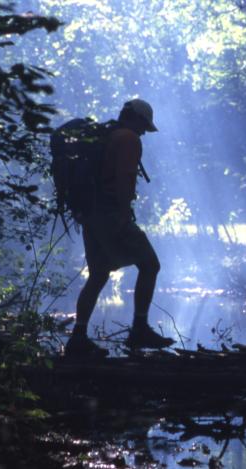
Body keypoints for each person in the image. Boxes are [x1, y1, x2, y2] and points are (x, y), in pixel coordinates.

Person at [65, 99, 175, 358]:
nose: (145, 132)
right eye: (144, 126)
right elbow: (125, 178)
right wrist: (124, 213)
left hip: (91, 214)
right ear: (135, 118)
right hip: (111, 213)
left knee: (99, 274)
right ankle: (139, 329)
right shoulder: (128, 139)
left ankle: (78, 338)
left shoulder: (108, 136)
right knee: (150, 264)